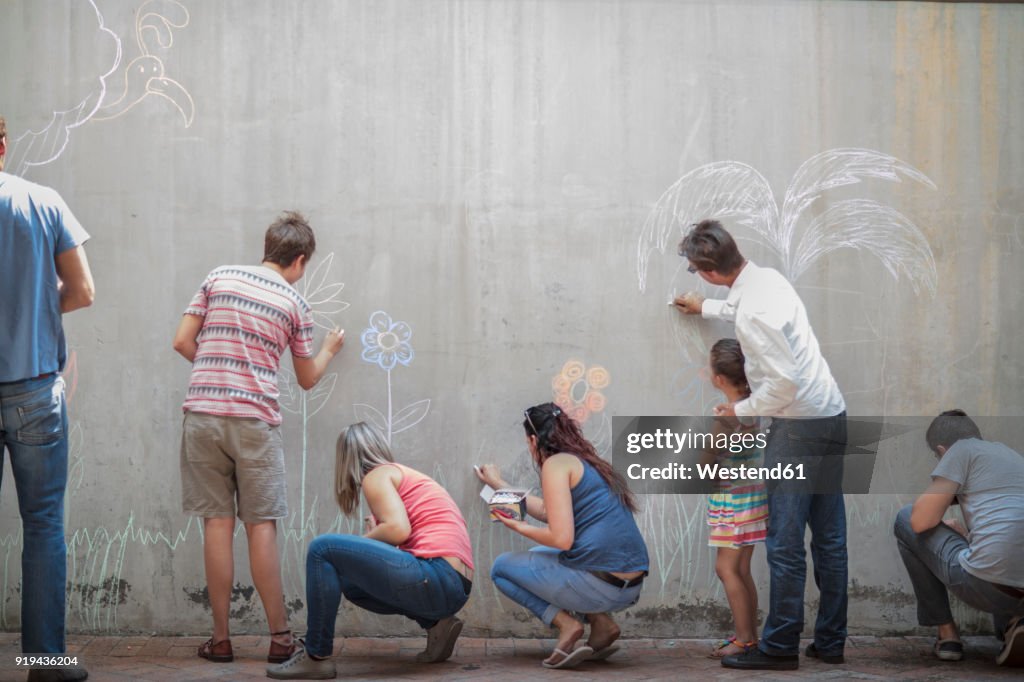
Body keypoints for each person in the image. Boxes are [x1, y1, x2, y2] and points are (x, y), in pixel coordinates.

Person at [674, 219, 847, 670]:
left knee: (784, 542)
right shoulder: (768, 279)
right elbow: (746, 309)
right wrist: (706, 307)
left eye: (695, 271)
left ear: (709, 270)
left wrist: (740, 411)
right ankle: (830, 642)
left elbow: (783, 384)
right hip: (832, 412)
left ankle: (779, 647)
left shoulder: (752, 314)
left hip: (799, 428)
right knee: (829, 538)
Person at [172, 211, 344, 665]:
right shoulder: (294, 303)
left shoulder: (218, 276)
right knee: (261, 525)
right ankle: (281, 637)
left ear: (267, 247)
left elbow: (182, 341)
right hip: (255, 422)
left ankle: (221, 639)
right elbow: (306, 379)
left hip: (203, 415)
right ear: (300, 260)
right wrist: (328, 349)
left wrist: (216, 371)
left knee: (216, 524)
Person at [266, 422, 474, 679]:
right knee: (348, 580)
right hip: (454, 585)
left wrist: (369, 537)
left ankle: (315, 654)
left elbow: (398, 529)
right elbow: (405, 537)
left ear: (346, 458)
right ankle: (436, 623)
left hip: (437, 575)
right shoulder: (400, 475)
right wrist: (377, 537)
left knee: (322, 549)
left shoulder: (376, 475)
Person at [0, 115, 94, 682]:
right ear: (4, 143)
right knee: (42, 526)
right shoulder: (41, 201)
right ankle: (44, 663)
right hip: (34, 388)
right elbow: (82, 291)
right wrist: (31, 309)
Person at [477, 402, 650, 670]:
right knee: (540, 557)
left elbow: (561, 539)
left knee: (501, 568)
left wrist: (517, 526)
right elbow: (548, 511)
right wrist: (499, 484)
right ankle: (602, 624)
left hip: (600, 586)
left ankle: (567, 624)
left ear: (533, 440)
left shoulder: (555, 464)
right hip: (630, 585)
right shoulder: (586, 463)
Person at [893, 409, 1024, 667]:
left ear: (943, 451)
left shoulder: (960, 451)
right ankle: (1013, 624)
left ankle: (947, 635)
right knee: (999, 547)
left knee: (905, 519)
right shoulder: (1012, 457)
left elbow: (920, 521)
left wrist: (940, 522)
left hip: (987, 586)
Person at [703, 339, 768, 659]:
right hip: (752, 502)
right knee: (741, 569)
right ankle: (749, 636)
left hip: (732, 504)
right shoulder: (753, 409)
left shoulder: (726, 419)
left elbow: (706, 463)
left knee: (726, 569)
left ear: (719, 379)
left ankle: (744, 640)